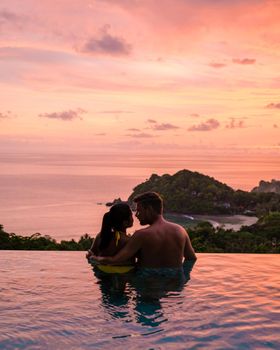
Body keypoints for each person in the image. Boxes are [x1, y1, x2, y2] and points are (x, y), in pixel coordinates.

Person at [92, 192, 197, 268]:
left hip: (148, 286)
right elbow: (191, 259)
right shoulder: (180, 231)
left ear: (149, 209)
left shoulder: (141, 235)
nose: (137, 215)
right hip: (176, 286)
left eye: (139, 211)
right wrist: (182, 278)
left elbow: (114, 261)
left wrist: (95, 258)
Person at [87, 202, 135, 272]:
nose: (133, 217)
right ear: (125, 222)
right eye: (131, 215)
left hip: (101, 273)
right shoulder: (128, 241)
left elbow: (90, 255)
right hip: (123, 276)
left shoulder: (100, 235)